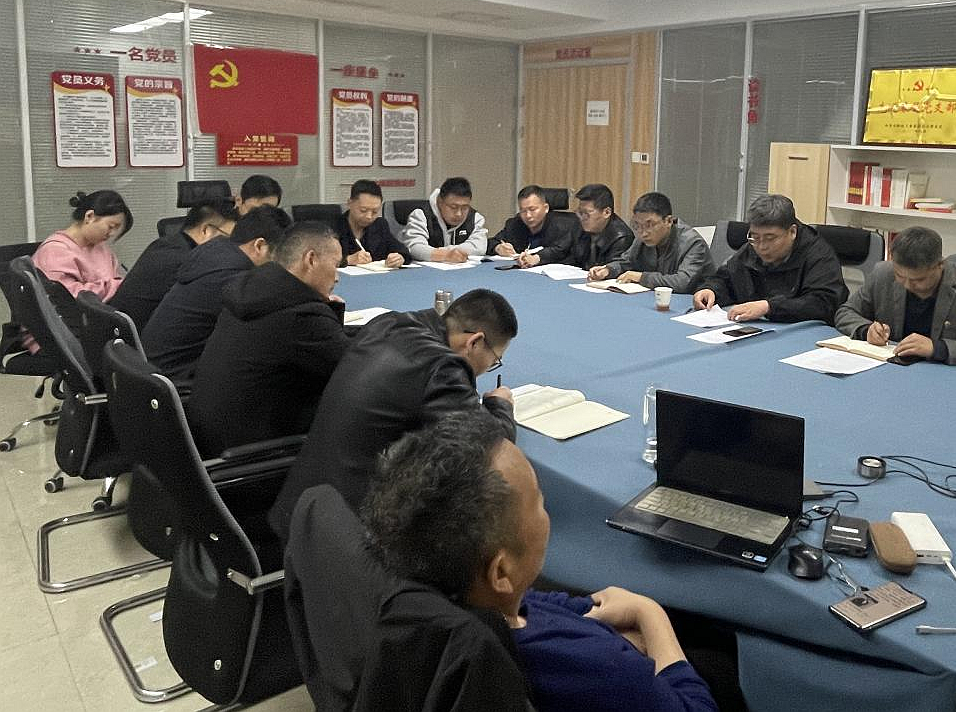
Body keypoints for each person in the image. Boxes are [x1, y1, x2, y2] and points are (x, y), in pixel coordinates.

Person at [360, 414, 719, 712]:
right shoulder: (590, 667)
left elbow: (552, 606)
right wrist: (649, 613)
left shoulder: (441, 605)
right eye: (539, 501)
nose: (546, 513)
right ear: (501, 572)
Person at [268, 288, 518, 542]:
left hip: (299, 509)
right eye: (494, 360)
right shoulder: (442, 367)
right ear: (474, 342)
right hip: (347, 539)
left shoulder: (387, 323)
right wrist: (500, 406)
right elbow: (491, 448)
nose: (489, 368)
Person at [188, 221, 348, 456]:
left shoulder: (252, 291)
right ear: (311, 259)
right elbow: (354, 369)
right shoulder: (302, 317)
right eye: (335, 265)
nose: (337, 277)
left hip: (207, 445)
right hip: (255, 459)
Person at [143, 205, 291, 383]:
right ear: (259, 246)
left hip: (153, 368)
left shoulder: (214, 252)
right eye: (279, 258)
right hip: (176, 379)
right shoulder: (234, 277)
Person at [833, 226, 956, 365]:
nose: (907, 285)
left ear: (940, 266)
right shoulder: (883, 273)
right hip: (889, 369)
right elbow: (845, 312)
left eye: (918, 280)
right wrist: (866, 330)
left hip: (944, 378)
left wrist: (938, 348)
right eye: (900, 276)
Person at [693, 194, 846, 323]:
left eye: (770, 238)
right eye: (755, 237)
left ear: (792, 232)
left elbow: (823, 303)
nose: (762, 246)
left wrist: (768, 307)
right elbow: (725, 278)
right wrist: (710, 290)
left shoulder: (818, 255)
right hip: (759, 329)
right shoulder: (752, 247)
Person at [109, 199, 236, 332]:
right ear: (206, 230)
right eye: (229, 238)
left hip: (121, 334)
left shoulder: (164, 244)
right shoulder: (189, 263)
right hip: (140, 338)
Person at [590, 192, 715, 295]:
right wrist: (608, 270)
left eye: (650, 225)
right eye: (637, 225)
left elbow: (682, 283)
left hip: (692, 305)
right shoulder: (644, 238)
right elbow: (626, 262)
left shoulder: (693, 243)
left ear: (668, 221)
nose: (643, 233)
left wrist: (641, 277)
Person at [32, 190, 132, 303]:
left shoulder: (101, 248)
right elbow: (66, 296)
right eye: (111, 226)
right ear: (89, 216)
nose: (112, 234)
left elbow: (116, 279)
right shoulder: (54, 251)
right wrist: (117, 286)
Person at [401, 176, 488, 263]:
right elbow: (414, 248)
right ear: (440, 202)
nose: (459, 214)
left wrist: (446, 252)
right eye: (453, 207)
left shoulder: (475, 218)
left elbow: (479, 247)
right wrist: (445, 255)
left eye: (464, 208)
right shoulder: (421, 214)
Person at [489, 186, 578, 268]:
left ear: (546, 208)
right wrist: (498, 248)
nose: (528, 215)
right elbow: (491, 242)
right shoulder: (515, 224)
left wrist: (536, 258)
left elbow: (559, 250)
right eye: (523, 211)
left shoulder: (564, 225)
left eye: (532, 209)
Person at [334, 179, 406, 268]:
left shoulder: (380, 225)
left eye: (375, 212)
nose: (369, 216)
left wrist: (399, 258)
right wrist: (348, 260)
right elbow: (321, 260)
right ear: (349, 203)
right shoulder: (332, 227)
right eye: (363, 210)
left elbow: (402, 250)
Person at [566, 183, 633, 270]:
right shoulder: (581, 226)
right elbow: (566, 254)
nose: (582, 218)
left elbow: (611, 271)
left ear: (606, 212)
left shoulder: (621, 238)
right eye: (580, 212)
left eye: (586, 213)